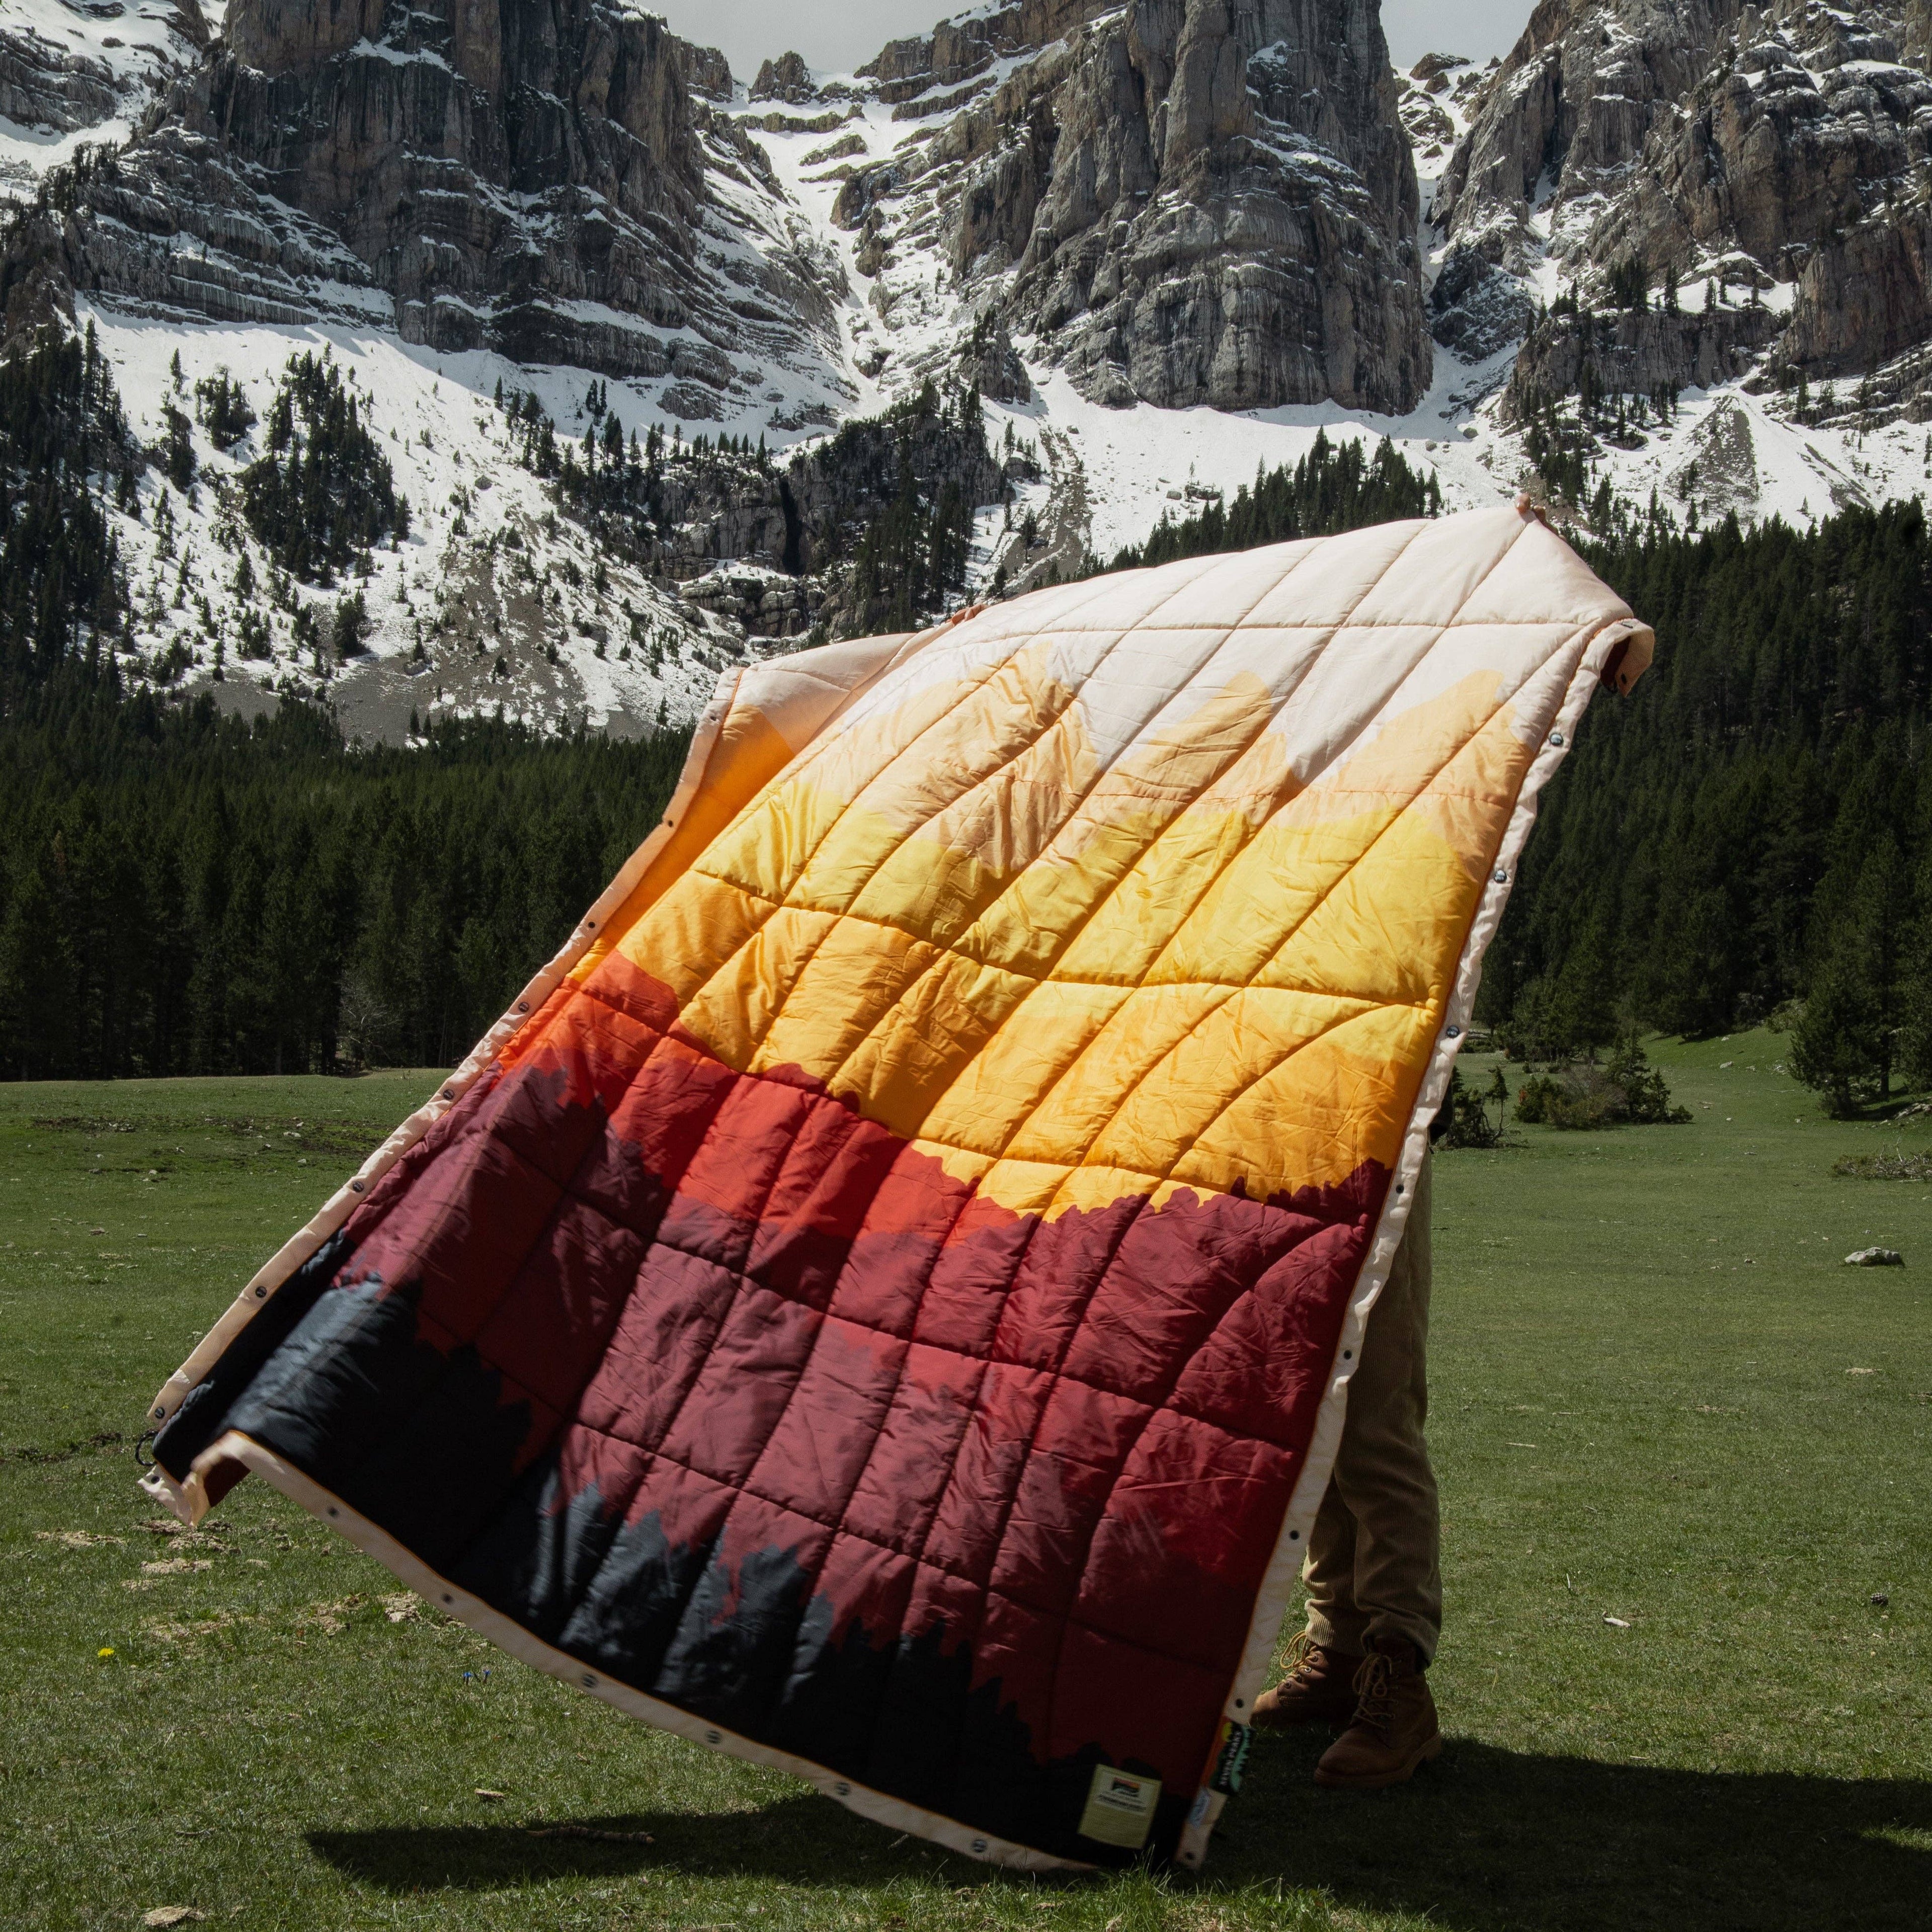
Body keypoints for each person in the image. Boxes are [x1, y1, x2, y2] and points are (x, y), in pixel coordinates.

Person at [1252, 1144, 1442, 1789]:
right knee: (1311, 1424)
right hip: (1277, 1149)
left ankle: (1399, 1671)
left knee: (1372, 1427)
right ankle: (1340, 1652)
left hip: (1378, 1147)